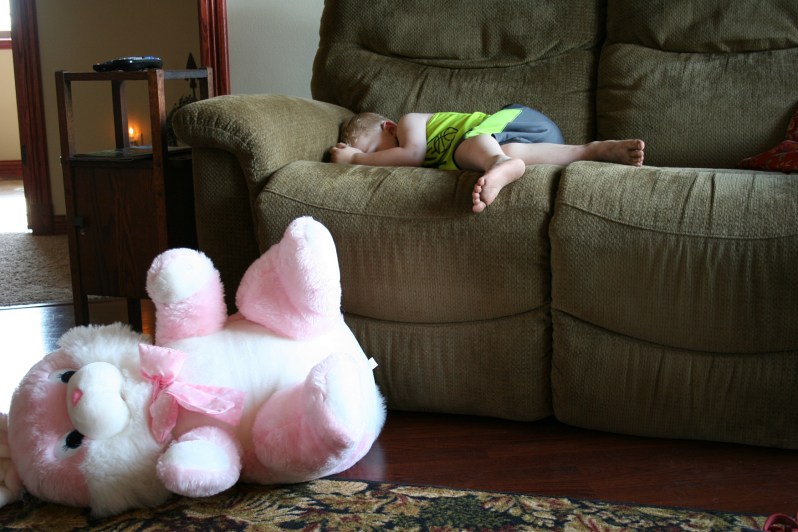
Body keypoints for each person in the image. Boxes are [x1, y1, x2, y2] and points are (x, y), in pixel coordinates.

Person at [329, 104, 645, 213]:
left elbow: (410, 155)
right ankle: (594, 150)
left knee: (468, 145)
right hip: (519, 145)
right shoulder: (444, 157)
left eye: (375, 150)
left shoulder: (410, 123)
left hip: (515, 122)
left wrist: (356, 160)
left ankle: (499, 165)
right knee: (510, 155)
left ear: (390, 127)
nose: (379, 160)